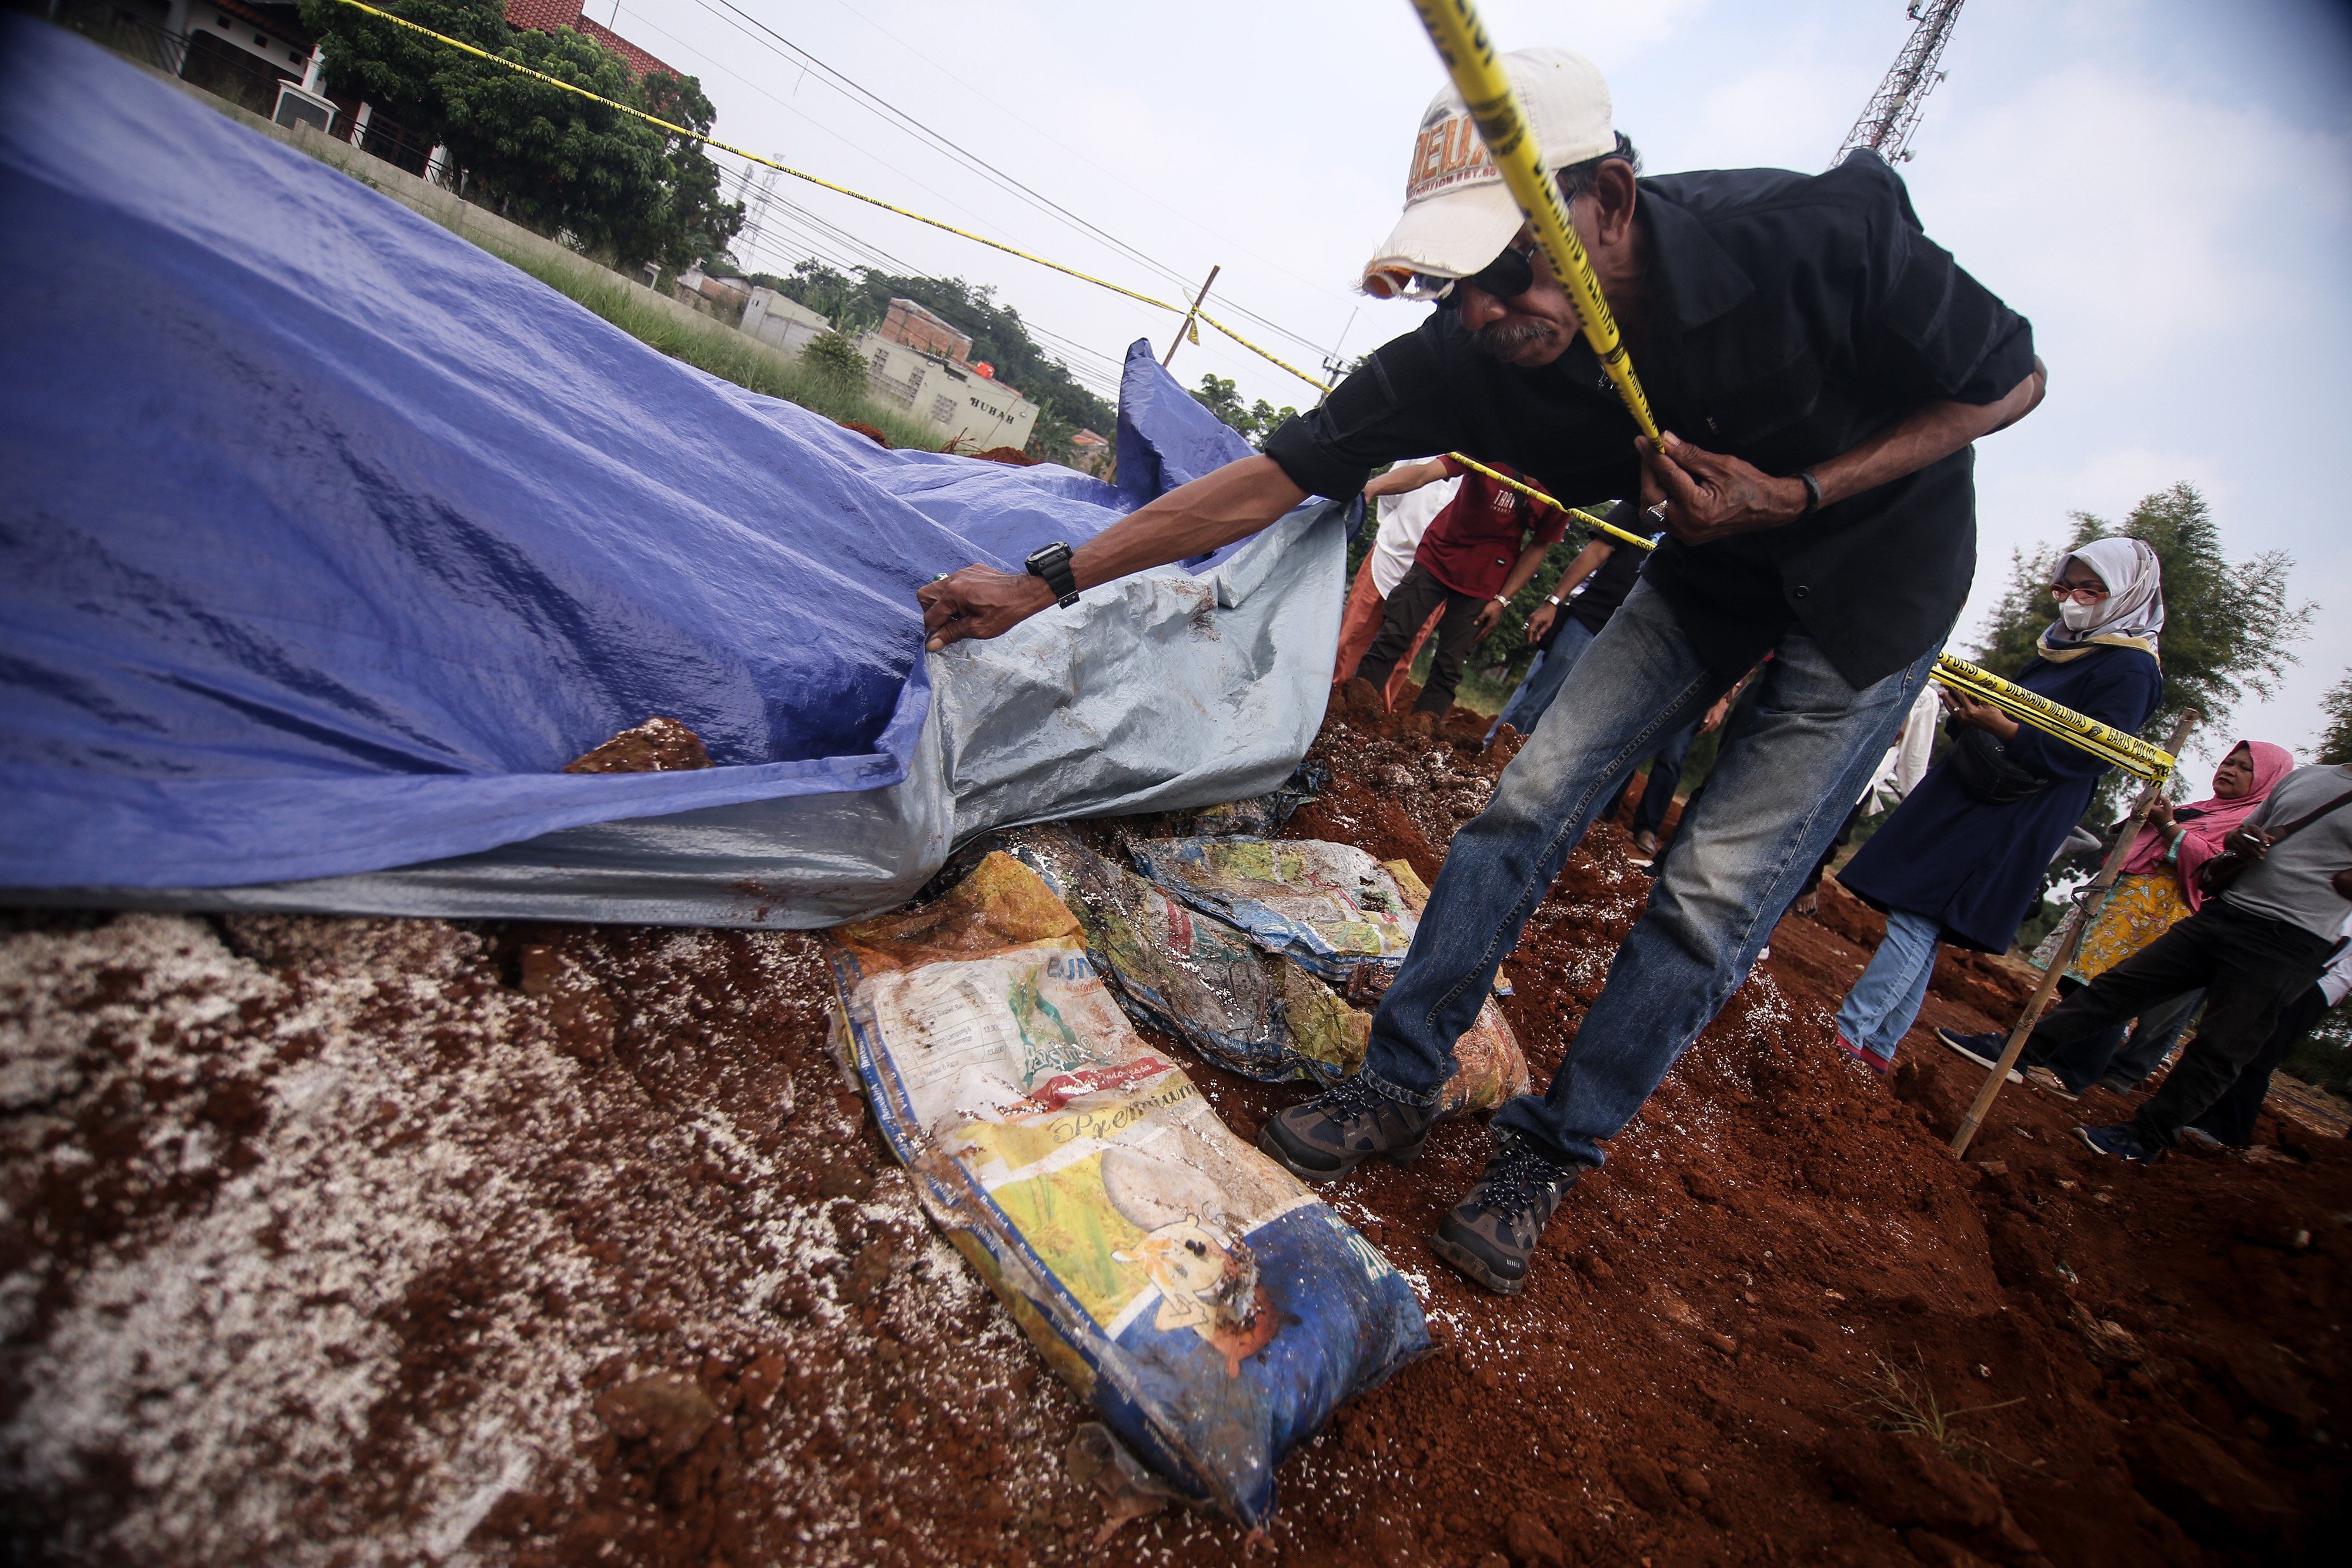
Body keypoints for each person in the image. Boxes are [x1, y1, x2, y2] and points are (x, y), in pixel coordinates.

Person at [916, 46, 2044, 1295]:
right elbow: (1273, 477)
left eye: (1508, 269)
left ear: (1610, 203)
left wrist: (1801, 491)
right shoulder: (1467, 358)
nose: (1481, 313)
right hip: (1705, 577)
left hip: (1876, 585)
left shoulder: (1810, 231)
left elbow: (2009, 381)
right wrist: (1048, 578)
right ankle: (1397, 1080)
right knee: (1521, 805)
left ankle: (1544, 1160)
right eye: (1453, 283)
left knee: (1707, 897)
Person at [1829, 543, 2163, 1074]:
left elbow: (2091, 752)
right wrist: (1973, 712)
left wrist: (2004, 727)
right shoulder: (2065, 646)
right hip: (1979, 787)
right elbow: (2020, 709)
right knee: (1923, 919)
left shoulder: (2131, 668)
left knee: (1921, 914)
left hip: (2014, 809)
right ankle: (1876, 1046)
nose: (2071, 601)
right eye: (2064, 587)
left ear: (2127, 593)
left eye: (2089, 590)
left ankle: (1848, 1032)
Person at [1935, 738, 2293, 1094]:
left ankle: (2070, 1070)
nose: (2230, 769)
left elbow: (2210, 867)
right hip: (2122, 898)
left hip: (2154, 910)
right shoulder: (2205, 808)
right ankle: (2054, 1058)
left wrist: (2169, 825)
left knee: (2107, 989)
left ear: (2268, 781)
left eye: (2245, 768)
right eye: (2230, 761)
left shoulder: (2245, 826)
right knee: (2076, 976)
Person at [2042, 757, 2352, 1161]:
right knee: (2118, 988)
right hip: (2226, 911)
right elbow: (2241, 833)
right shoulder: (2309, 776)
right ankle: (2019, 1050)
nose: (2232, 768)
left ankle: (2145, 1138)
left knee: (2220, 1048)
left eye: (2244, 765)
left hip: (2292, 939)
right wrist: (2243, 841)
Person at [1345, 454, 1569, 729]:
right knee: (1394, 636)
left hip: (1484, 581)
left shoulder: (1562, 491)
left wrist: (1502, 600)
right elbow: (1425, 472)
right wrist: (1372, 487)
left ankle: (1417, 739)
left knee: (1449, 667)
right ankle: (1351, 716)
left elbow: (1539, 546)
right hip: (1437, 558)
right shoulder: (1494, 451)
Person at [2182, 915, 2350, 1149]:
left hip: (2319, 982)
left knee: (2261, 1052)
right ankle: (2203, 1117)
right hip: (2305, 972)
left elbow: (2337, 942)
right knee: (2240, 1043)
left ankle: (2227, 1130)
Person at [1332, 459, 1460, 711]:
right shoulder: (1424, 446)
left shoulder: (1484, 470)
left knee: (1403, 653)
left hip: (1437, 574)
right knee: (1353, 635)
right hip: (1390, 553)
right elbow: (1394, 492)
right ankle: (1332, 698)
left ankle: (1375, 714)